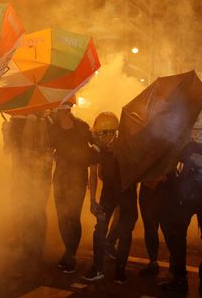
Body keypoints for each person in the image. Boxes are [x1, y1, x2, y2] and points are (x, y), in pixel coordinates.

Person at [160, 108, 202, 298]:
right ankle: (179, 277)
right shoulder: (185, 147)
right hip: (186, 199)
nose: (198, 134)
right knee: (176, 234)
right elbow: (171, 169)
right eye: (194, 129)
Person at [83, 112, 138, 283]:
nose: (98, 137)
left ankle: (120, 269)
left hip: (127, 192)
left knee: (125, 231)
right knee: (99, 229)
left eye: (101, 133)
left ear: (111, 132)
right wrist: (92, 200)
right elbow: (92, 174)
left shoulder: (126, 146)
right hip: (108, 193)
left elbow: (137, 170)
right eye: (97, 133)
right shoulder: (97, 150)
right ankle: (97, 267)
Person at [47, 99, 94, 273]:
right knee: (62, 218)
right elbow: (46, 147)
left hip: (78, 178)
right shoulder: (53, 128)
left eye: (57, 110)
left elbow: (96, 146)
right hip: (60, 177)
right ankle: (69, 251)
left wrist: (88, 158)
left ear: (65, 111)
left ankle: (71, 254)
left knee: (72, 218)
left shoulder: (81, 127)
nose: (54, 113)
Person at [2, 112, 53, 267]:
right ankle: (24, 245)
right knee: (21, 207)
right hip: (21, 173)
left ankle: (35, 250)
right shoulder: (15, 122)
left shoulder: (44, 120)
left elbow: (45, 150)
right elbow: (8, 149)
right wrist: (6, 132)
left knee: (37, 210)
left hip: (39, 173)